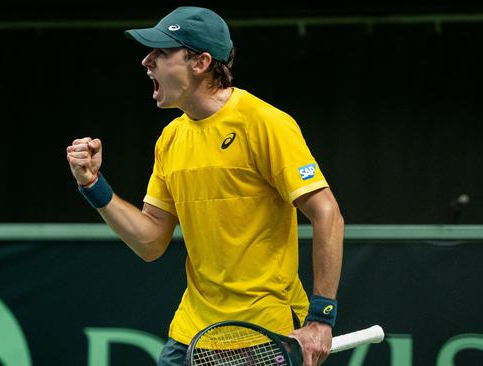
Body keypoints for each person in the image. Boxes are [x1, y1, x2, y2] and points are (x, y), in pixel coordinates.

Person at [66, 6, 344, 366]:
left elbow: (328, 214)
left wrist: (321, 319)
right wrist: (93, 185)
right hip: (191, 337)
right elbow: (151, 242)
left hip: (263, 334)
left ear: (200, 63)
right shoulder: (170, 139)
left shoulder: (266, 124)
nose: (146, 61)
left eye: (162, 52)